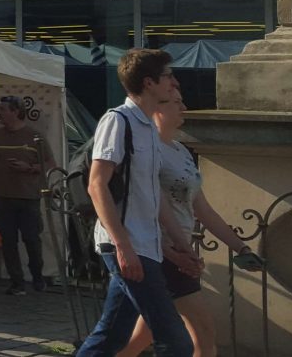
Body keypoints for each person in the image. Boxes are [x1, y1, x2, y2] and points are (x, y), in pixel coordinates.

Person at [116, 95, 260, 357]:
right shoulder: (148, 149)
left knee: (140, 336)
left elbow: (202, 209)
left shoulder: (180, 150)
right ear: (157, 108)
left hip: (178, 252)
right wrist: (172, 253)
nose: (184, 107)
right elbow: (141, 207)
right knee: (203, 334)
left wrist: (241, 247)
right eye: (176, 102)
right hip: (160, 253)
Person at [75, 49, 193, 356]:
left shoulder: (147, 129)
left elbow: (152, 195)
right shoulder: (118, 121)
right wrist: (123, 246)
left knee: (110, 337)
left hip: (146, 246)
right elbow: (97, 185)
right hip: (127, 246)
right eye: (168, 76)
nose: (173, 82)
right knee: (176, 342)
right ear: (150, 82)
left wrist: (182, 244)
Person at [0, 95, 56, 296]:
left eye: (3, 109)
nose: (0, 113)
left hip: (28, 198)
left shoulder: (34, 136)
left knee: (32, 239)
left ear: (16, 112)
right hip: (2, 197)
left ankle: (38, 278)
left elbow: (50, 164)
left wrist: (29, 167)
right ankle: (17, 282)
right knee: (8, 240)